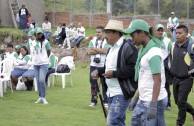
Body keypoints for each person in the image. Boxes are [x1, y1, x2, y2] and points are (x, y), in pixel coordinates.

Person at [91, 20, 138, 126]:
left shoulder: (128, 47)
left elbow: (134, 69)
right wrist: (98, 72)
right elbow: (109, 68)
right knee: (119, 121)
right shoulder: (111, 48)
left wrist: (114, 74)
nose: (105, 35)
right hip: (111, 92)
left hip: (121, 92)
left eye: (107, 32)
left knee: (112, 121)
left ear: (116, 33)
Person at [123, 19, 167, 126]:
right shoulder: (143, 50)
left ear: (142, 33)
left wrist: (153, 104)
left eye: (133, 35)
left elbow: (157, 80)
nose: (131, 39)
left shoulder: (153, 52)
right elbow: (145, 78)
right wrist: (137, 97)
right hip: (144, 98)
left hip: (153, 99)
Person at [170, 25, 194, 126]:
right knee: (178, 102)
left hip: (187, 79)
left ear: (186, 34)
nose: (177, 35)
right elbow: (170, 60)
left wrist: (189, 72)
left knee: (181, 101)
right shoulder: (172, 45)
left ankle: (179, 123)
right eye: (176, 33)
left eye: (180, 33)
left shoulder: (191, 46)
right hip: (175, 78)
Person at [87, 26, 110, 107]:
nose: (97, 33)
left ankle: (106, 101)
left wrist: (94, 49)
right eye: (96, 32)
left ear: (103, 33)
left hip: (103, 65)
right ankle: (94, 100)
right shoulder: (92, 40)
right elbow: (89, 52)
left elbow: (106, 51)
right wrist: (99, 50)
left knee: (105, 84)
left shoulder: (107, 41)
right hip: (93, 65)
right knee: (93, 84)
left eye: (99, 32)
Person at [155, 24, 173, 110]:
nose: (160, 32)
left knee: (165, 86)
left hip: (165, 66)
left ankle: (168, 104)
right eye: (158, 30)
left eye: (161, 30)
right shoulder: (152, 40)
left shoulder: (167, 41)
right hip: (154, 65)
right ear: (155, 31)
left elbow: (172, 52)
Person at [33, 27, 51, 104]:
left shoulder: (46, 42)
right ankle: (40, 96)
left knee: (41, 80)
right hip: (36, 64)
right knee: (37, 81)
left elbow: (49, 51)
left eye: (40, 33)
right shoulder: (33, 42)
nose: (39, 35)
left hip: (44, 64)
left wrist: (44, 58)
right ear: (35, 35)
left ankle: (43, 97)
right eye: (38, 34)